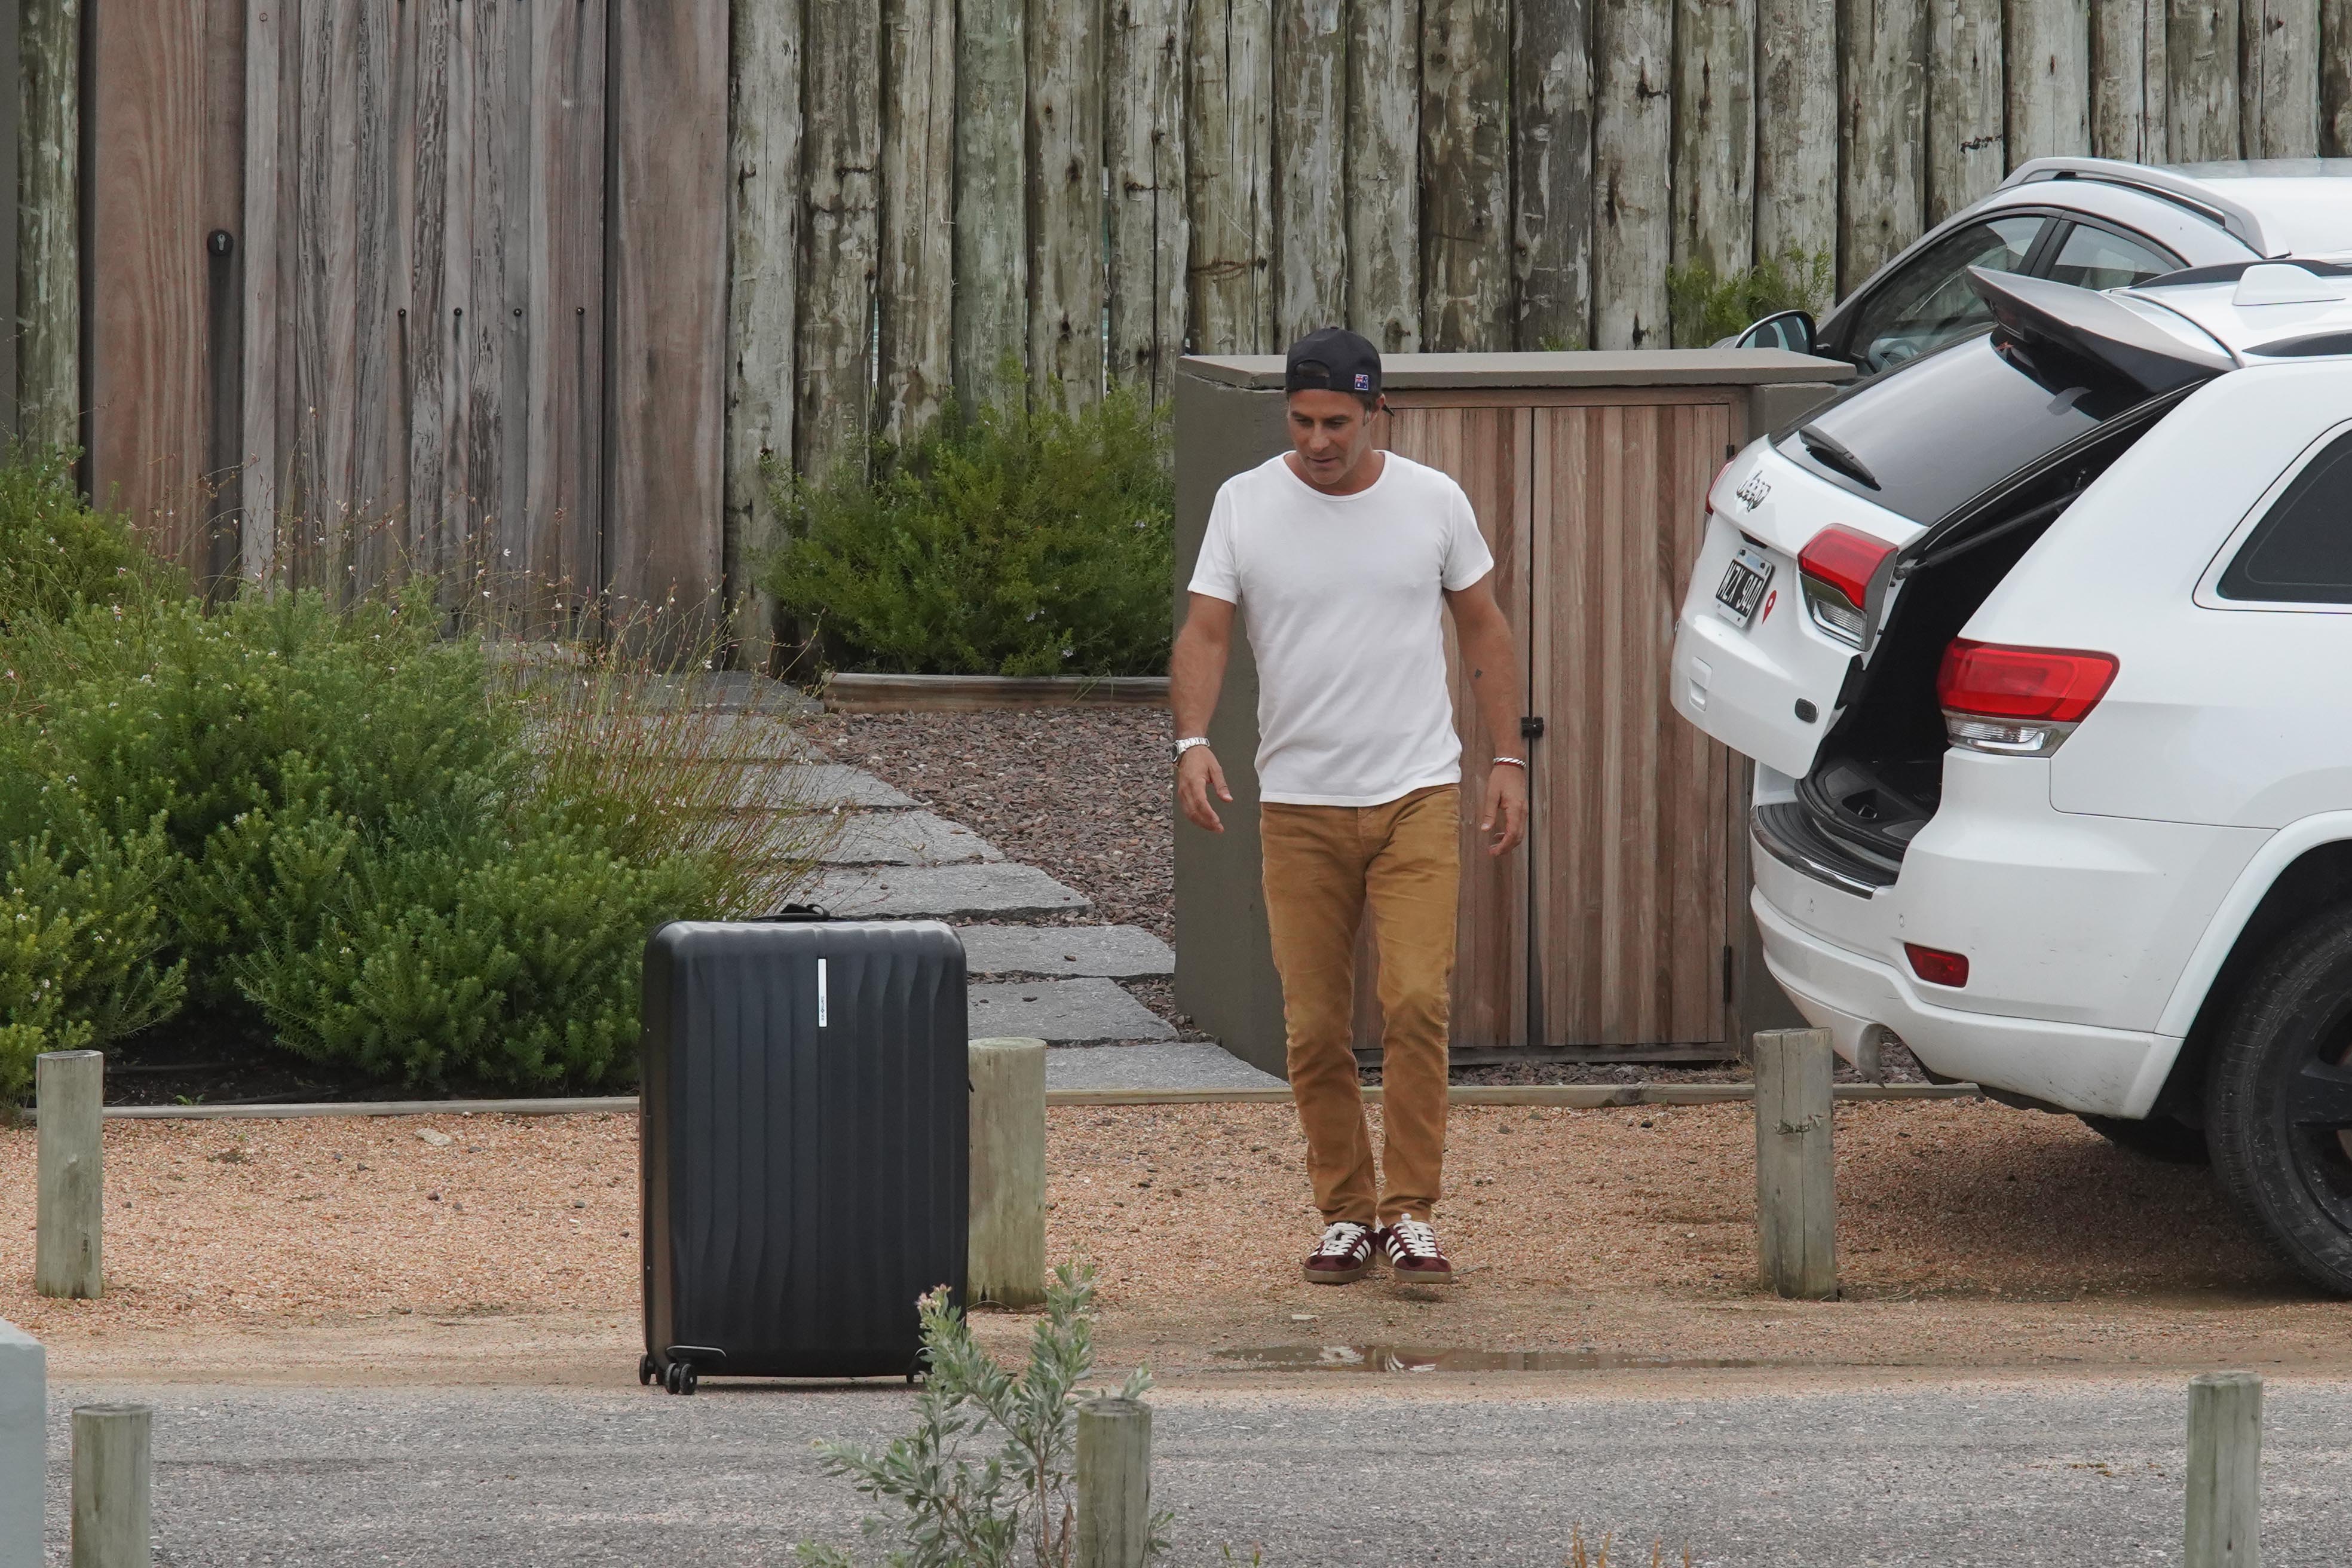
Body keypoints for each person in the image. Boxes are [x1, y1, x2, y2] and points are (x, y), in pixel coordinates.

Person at [1169, 326, 1527, 1286]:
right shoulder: (1245, 504)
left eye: (1337, 421)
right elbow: (1205, 632)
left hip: (1417, 791)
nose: (1318, 440)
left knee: (1415, 1000)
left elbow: (1484, 626)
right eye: (1302, 420)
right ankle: (1345, 1212)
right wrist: (1192, 739)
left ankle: (1409, 1210)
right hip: (1298, 804)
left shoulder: (1433, 502)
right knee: (1314, 1024)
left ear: (1378, 412)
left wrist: (1508, 758)